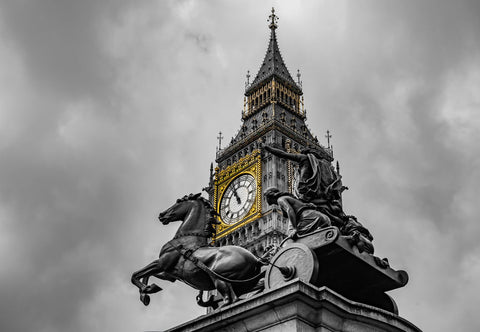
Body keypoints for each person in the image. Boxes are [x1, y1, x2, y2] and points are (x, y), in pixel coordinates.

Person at [264, 145, 343, 202]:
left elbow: (283, 154)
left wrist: (268, 148)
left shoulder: (304, 158)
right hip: (322, 195)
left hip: (306, 191)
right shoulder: (325, 165)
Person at [264, 187, 331, 239]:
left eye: (265, 197)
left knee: (291, 240)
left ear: (270, 195)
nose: (265, 200)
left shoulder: (280, 200)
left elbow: (289, 210)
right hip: (322, 217)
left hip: (310, 218)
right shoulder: (291, 199)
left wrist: (295, 229)